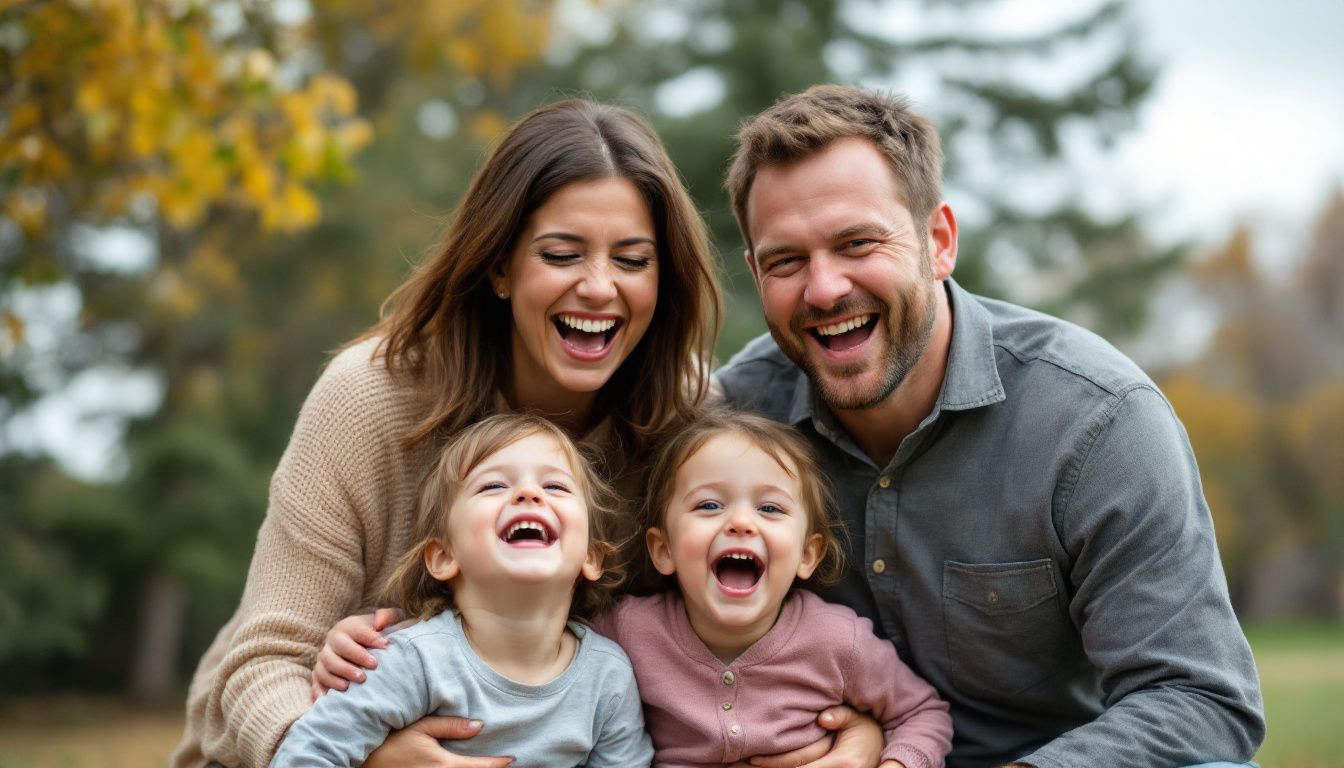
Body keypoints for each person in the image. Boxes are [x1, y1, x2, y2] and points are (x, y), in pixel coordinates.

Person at [712, 83, 1266, 768]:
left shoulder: (1097, 421)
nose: (823, 289)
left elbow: (1200, 700)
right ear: (755, 274)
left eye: (857, 243)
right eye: (786, 261)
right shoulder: (737, 422)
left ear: (938, 241)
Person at [171, 98, 722, 768]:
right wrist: (367, 758)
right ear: (500, 266)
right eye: (561, 254)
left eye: (633, 260)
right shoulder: (366, 399)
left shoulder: (689, 420)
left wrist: (878, 734)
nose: (599, 287)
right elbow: (263, 661)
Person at [270, 413, 654, 767]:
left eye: (554, 485)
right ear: (442, 557)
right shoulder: (414, 662)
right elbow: (308, 753)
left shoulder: (607, 678)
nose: (528, 494)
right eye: (492, 485)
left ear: (592, 557)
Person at [592, 410, 952, 767]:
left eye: (770, 508)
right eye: (709, 504)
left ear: (807, 554)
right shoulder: (628, 631)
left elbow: (923, 714)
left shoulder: (839, 641)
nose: (741, 522)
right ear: (663, 549)